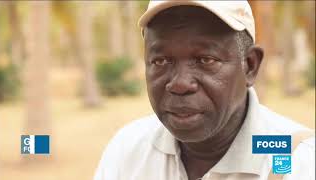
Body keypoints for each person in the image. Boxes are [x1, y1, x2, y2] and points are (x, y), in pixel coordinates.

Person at [94, 1, 315, 180]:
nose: (180, 84)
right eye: (160, 61)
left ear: (249, 65)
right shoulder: (127, 150)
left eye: (205, 59)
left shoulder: (298, 162)